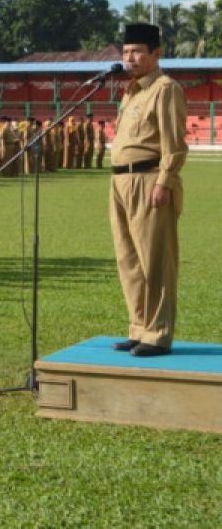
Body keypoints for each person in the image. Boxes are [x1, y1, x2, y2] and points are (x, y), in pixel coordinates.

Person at [109, 23, 188, 357]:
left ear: (157, 54)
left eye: (138, 51)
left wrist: (165, 181)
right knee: (129, 260)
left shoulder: (165, 89)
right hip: (120, 181)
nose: (131, 58)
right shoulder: (132, 92)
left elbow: (174, 144)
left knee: (155, 260)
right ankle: (138, 327)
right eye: (126, 52)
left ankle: (157, 333)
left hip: (149, 179)